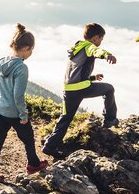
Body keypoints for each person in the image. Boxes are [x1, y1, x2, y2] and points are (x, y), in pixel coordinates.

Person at [0, 23, 48, 184]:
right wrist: (23, 114)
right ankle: (33, 164)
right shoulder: (21, 68)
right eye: (31, 50)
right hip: (14, 112)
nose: (31, 53)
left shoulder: (4, 63)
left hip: (0, 108)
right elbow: (18, 95)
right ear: (25, 48)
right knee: (28, 138)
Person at [43, 23, 118, 159]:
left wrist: (93, 77)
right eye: (101, 39)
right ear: (95, 38)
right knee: (109, 89)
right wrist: (107, 55)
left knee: (65, 118)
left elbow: (77, 73)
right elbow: (97, 51)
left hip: (69, 89)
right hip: (81, 88)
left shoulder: (77, 48)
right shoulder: (90, 46)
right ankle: (110, 120)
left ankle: (50, 146)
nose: (100, 42)